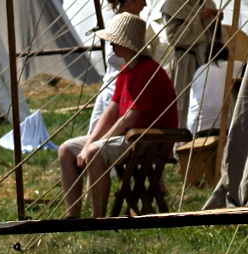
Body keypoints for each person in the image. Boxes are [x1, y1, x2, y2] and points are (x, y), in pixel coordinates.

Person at [58, 12, 178, 219]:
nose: (111, 44)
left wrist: (95, 146)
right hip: (132, 137)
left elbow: (130, 117)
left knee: (94, 152)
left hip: (151, 140)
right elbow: (112, 111)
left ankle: (98, 219)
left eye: (115, 40)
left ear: (128, 43)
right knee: (66, 150)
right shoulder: (126, 70)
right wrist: (90, 143)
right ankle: (72, 216)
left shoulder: (148, 70)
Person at [160, 0, 221, 115]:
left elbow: (214, 35)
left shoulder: (206, 0)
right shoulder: (174, 1)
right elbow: (173, 37)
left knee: (206, 102)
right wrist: (198, 20)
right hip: (185, 60)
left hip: (205, 59)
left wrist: (216, 21)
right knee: (184, 103)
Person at [89, 0, 149, 133]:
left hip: (123, 87)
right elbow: (112, 57)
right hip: (115, 87)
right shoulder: (118, 22)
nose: (145, 4)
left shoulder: (134, 24)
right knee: (106, 133)